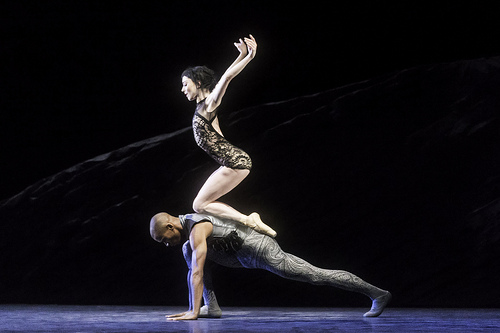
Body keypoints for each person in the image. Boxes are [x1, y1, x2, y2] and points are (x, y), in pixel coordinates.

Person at [149, 212, 392, 321]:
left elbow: (198, 271)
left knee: (314, 275)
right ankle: (209, 308)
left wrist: (191, 313)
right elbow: (195, 269)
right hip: (241, 256)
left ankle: (377, 294)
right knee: (187, 252)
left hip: (260, 250)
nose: (166, 244)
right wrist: (193, 307)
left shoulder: (197, 226)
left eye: (163, 239)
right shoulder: (188, 240)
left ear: (171, 227)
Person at [180, 34, 276, 238]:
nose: (182, 89)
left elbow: (226, 77)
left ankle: (248, 220)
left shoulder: (209, 104)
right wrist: (240, 54)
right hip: (231, 162)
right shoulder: (202, 108)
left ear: (197, 82)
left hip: (235, 162)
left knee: (199, 204)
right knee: (199, 204)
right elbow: (224, 76)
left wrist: (249, 57)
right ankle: (247, 220)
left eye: (185, 84)